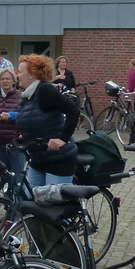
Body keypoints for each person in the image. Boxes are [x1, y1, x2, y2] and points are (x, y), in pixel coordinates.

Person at [15, 54, 80, 187]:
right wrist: (26, 137)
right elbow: (36, 119)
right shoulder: (28, 95)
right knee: (32, 202)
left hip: (58, 159)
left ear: (32, 74)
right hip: (38, 158)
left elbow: (73, 110)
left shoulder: (45, 90)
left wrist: (63, 139)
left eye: (20, 72)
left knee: (55, 205)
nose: (17, 75)